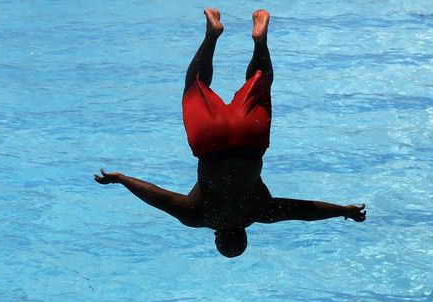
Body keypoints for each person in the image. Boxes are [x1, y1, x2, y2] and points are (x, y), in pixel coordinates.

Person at [95, 8, 366, 258]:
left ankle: (259, 40)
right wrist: (121, 179)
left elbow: (306, 211)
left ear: (245, 233)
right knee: (195, 83)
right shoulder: (196, 216)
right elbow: (155, 196)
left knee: (261, 77)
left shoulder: (262, 212)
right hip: (210, 142)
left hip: (250, 140)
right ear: (217, 238)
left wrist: (344, 210)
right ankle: (212, 35)